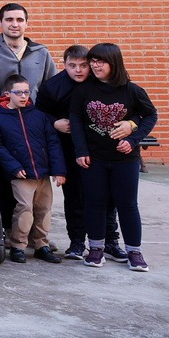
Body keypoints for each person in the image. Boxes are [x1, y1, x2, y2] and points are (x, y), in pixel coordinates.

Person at [70, 43, 157, 271]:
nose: (95, 65)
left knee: (127, 205)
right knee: (95, 203)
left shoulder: (131, 90)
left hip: (125, 160)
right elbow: (76, 121)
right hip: (94, 159)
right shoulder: (83, 90)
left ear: (114, 63)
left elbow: (150, 115)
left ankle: (134, 252)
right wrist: (81, 151)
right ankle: (96, 248)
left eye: (101, 61)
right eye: (93, 61)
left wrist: (133, 138)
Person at [0, 3, 57, 230]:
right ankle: (8, 230)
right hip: (4, 127)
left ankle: (35, 234)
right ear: (0, 23)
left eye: (19, 20)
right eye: (9, 19)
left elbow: (51, 90)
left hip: (35, 130)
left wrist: (46, 123)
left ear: (26, 23)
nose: (14, 24)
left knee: (37, 183)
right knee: (7, 181)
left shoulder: (41, 53)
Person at [39, 45, 117, 260]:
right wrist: (54, 122)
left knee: (106, 196)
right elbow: (39, 113)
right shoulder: (52, 87)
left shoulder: (100, 83)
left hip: (99, 147)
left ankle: (110, 241)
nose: (79, 70)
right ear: (64, 65)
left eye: (83, 65)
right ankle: (76, 242)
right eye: (72, 66)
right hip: (68, 147)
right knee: (74, 196)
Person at [0, 75, 65, 263]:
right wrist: (14, 167)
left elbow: (52, 142)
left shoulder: (38, 116)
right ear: (7, 94)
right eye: (18, 92)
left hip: (42, 174)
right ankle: (18, 246)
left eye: (26, 92)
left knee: (44, 209)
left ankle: (41, 245)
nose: (23, 96)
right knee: (25, 208)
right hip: (21, 174)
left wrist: (58, 171)